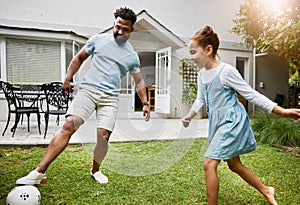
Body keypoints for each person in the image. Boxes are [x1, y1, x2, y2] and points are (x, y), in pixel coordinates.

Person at [16, 7, 150, 185]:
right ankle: (39, 171)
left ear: (132, 30)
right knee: (68, 126)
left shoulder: (132, 56)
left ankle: (95, 170)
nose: (120, 32)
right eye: (117, 27)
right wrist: (67, 78)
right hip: (88, 90)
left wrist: (146, 103)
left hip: (110, 97)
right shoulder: (98, 40)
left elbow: (139, 81)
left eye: (125, 29)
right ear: (114, 23)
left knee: (104, 136)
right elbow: (79, 58)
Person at [182, 25, 300, 205]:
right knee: (234, 164)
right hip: (217, 123)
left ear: (208, 49)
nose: (191, 57)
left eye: (193, 52)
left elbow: (251, 94)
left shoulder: (226, 71)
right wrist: (189, 115)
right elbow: (200, 99)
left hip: (231, 121)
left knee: (209, 163)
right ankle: (267, 190)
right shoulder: (201, 74)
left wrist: (281, 110)